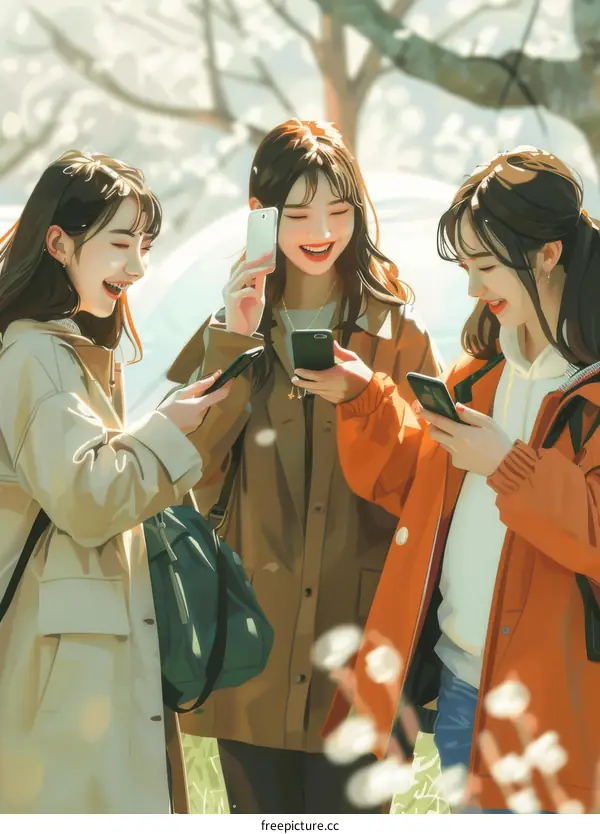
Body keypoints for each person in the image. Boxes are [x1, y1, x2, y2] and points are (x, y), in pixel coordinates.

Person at [298, 146, 600, 814]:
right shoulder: (479, 374)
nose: (473, 288)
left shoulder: (590, 393)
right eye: (466, 268)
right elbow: (420, 487)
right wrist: (362, 397)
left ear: (549, 254)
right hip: (462, 683)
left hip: (555, 706)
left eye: (486, 267)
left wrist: (505, 464)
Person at [167, 119, 441, 814]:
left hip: (360, 651)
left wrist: (365, 399)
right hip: (254, 647)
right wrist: (233, 333)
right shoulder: (230, 329)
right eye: (297, 214)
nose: (322, 229)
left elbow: (430, 486)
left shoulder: (399, 338)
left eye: (340, 210)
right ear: (262, 219)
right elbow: (190, 467)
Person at [0, 150, 231, 814]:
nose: (137, 266)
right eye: (121, 243)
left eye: (146, 245)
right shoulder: (37, 353)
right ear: (58, 243)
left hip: (78, 664)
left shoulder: (59, 352)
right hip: (66, 677)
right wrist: (167, 430)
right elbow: (88, 498)